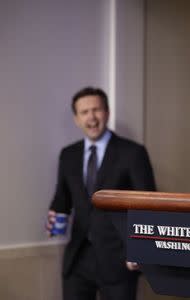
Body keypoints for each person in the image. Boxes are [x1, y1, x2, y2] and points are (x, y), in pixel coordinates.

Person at [46, 86, 156, 300]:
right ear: (76, 119)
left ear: (107, 112)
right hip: (78, 260)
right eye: (84, 112)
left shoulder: (133, 153)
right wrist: (54, 216)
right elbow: (62, 199)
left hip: (119, 259)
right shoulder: (68, 155)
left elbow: (148, 206)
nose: (92, 117)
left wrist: (139, 249)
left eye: (96, 110)